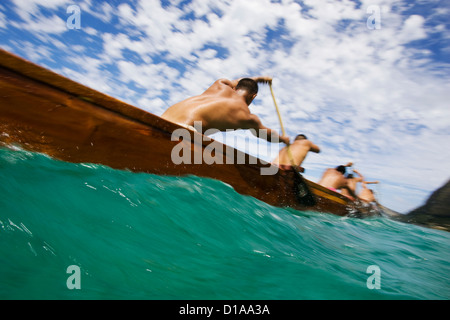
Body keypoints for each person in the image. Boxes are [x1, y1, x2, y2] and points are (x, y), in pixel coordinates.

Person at [161, 77, 289, 144]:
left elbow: (238, 81)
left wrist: (259, 79)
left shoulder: (220, 84)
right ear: (253, 96)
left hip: (161, 120)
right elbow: (267, 135)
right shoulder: (248, 118)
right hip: (182, 132)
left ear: (235, 87)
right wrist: (284, 139)